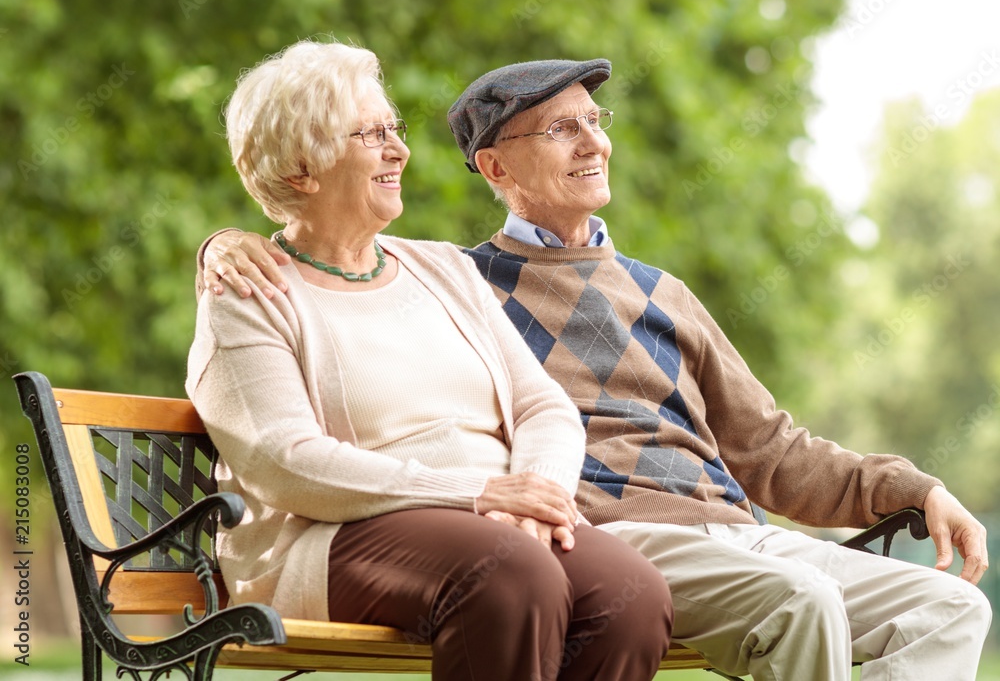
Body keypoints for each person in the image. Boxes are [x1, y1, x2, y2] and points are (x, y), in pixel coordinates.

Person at [202, 56, 992, 681]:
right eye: (560, 130)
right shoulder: (476, 277)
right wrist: (224, 243)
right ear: (494, 169)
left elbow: (772, 451)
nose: (594, 143)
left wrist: (913, 489)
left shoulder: (653, 293)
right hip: (594, 533)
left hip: (727, 531)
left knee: (952, 611)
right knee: (792, 602)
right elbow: (312, 313)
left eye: (594, 122)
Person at [186, 41, 674, 681]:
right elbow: (286, 462)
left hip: (492, 525)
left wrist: (537, 496)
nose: (400, 151)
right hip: (331, 537)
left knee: (628, 593)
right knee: (508, 574)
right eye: (371, 134)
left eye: (395, 130)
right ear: (301, 167)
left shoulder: (442, 268)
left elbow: (541, 404)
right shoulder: (250, 294)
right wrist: (477, 493)